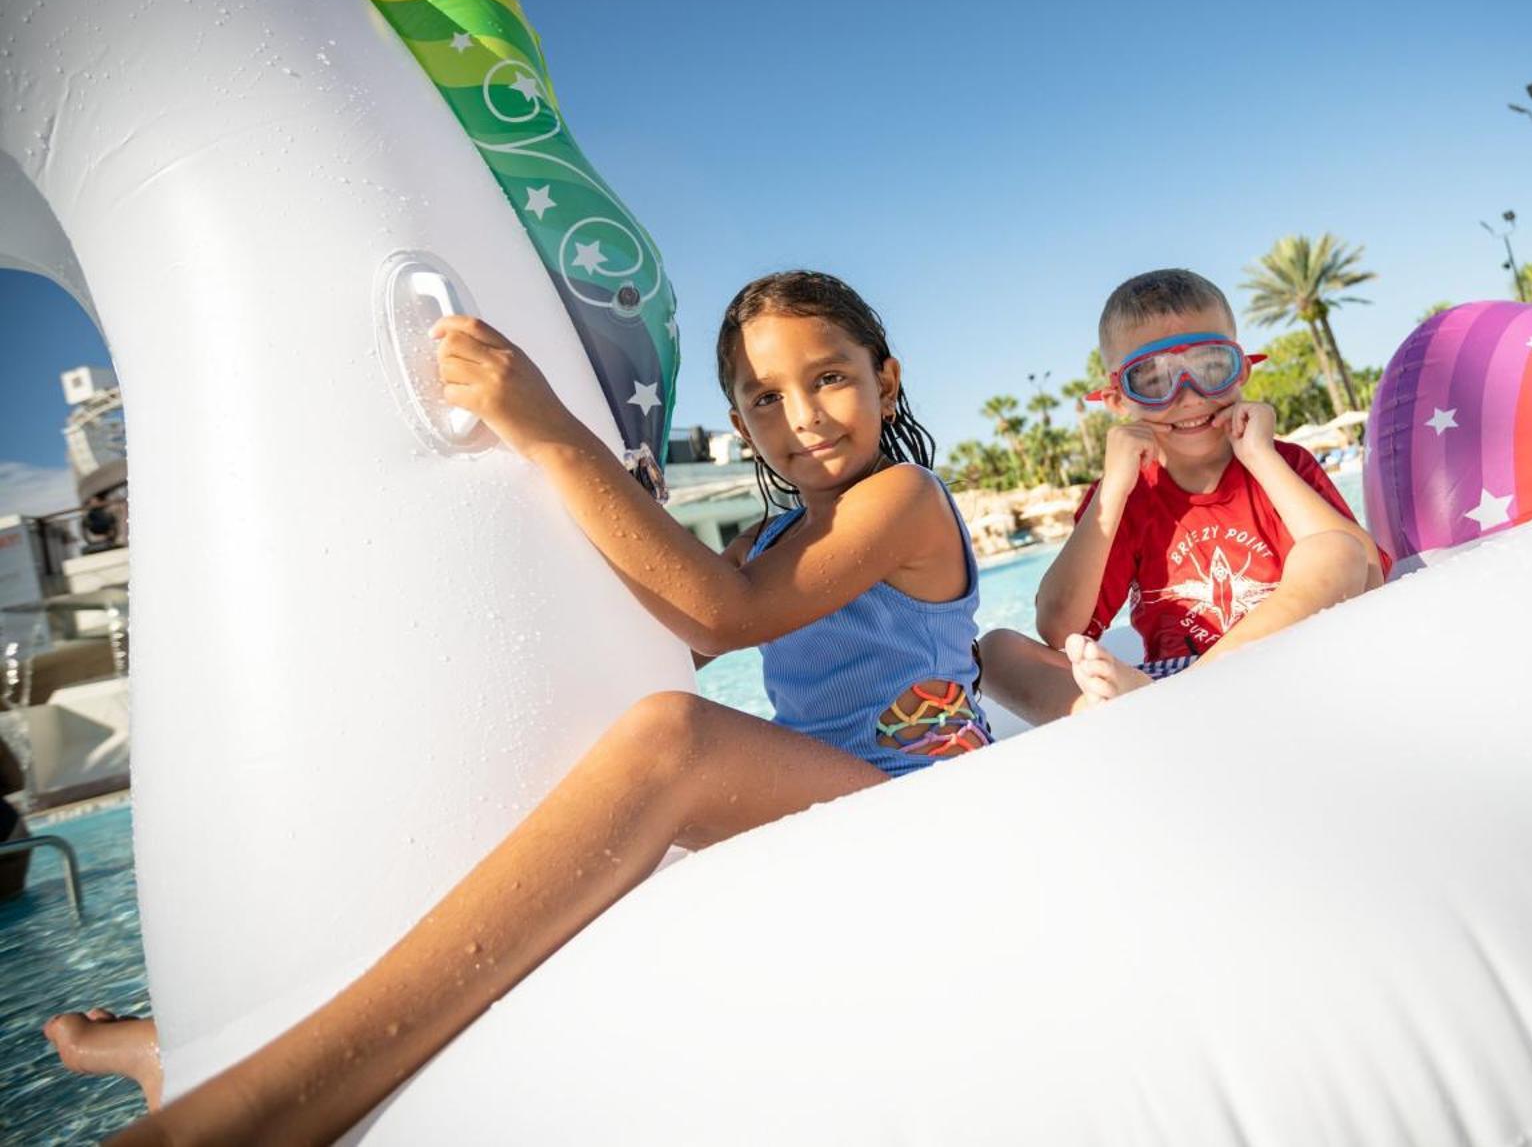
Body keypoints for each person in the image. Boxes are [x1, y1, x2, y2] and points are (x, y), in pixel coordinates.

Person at [47, 270, 991, 1141]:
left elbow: (726, 614)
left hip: (920, 791)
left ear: (888, 380)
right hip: (841, 792)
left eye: (829, 377)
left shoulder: (902, 496)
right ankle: (200, 1054)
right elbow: (682, 627)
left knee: (676, 738)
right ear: (743, 427)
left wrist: (545, 429)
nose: (805, 416)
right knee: (523, 819)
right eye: (766, 399)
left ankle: (263, 1104)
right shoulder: (767, 537)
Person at [980, 268, 1383, 724]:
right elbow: (1058, 628)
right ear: (1117, 399)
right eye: (1153, 380)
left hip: (1283, 653)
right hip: (1161, 683)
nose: (1189, 397)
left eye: (1211, 368)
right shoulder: (1126, 495)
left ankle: (1181, 703)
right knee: (995, 652)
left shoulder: (1282, 464)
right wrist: (1112, 489)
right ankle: (1159, 706)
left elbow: (1366, 568)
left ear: (1242, 369)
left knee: (1336, 549)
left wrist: (1260, 458)